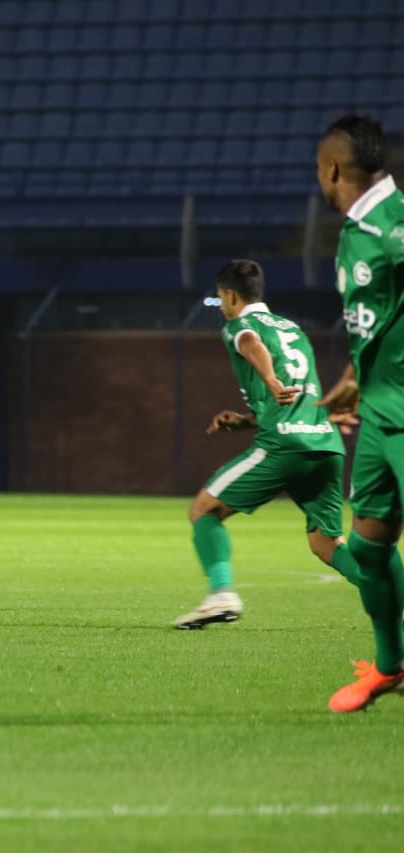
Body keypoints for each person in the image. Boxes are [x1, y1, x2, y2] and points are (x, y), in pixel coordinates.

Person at [174, 259, 357, 630]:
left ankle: (221, 595)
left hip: (284, 446)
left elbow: (250, 343)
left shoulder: (239, 326)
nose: (221, 305)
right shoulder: (294, 330)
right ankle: (396, 601)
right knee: (327, 543)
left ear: (229, 295)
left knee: (204, 510)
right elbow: (300, 395)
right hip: (325, 445)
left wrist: (270, 379)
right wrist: (245, 420)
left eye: (221, 298)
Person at [313, 114, 404, 712]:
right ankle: (391, 668)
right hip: (376, 412)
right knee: (369, 549)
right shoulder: (355, 231)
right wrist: (353, 379)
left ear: (334, 169)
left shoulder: (395, 225)